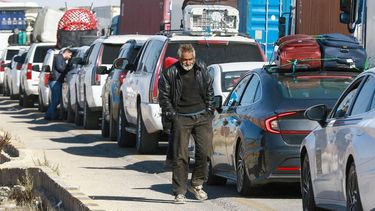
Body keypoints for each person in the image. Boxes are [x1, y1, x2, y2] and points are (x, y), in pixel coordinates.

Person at [158, 44, 214, 204]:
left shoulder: (202, 68)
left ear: (194, 58)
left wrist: (209, 110)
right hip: (181, 117)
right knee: (180, 156)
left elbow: (209, 89)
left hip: (202, 116)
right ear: (179, 58)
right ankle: (179, 191)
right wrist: (173, 116)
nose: (188, 63)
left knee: (204, 152)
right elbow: (164, 98)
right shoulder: (170, 73)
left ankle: (196, 184)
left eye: (190, 59)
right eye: (184, 59)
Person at [45, 48, 73, 120]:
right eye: (70, 55)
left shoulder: (62, 59)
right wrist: (67, 69)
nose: (70, 57)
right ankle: (49, 115)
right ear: (66, 53)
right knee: (56, 99)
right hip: (55, 81)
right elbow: (60, 68)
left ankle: (52, 116)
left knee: (56, 99)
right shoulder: (58, 57)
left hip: (57, 81)